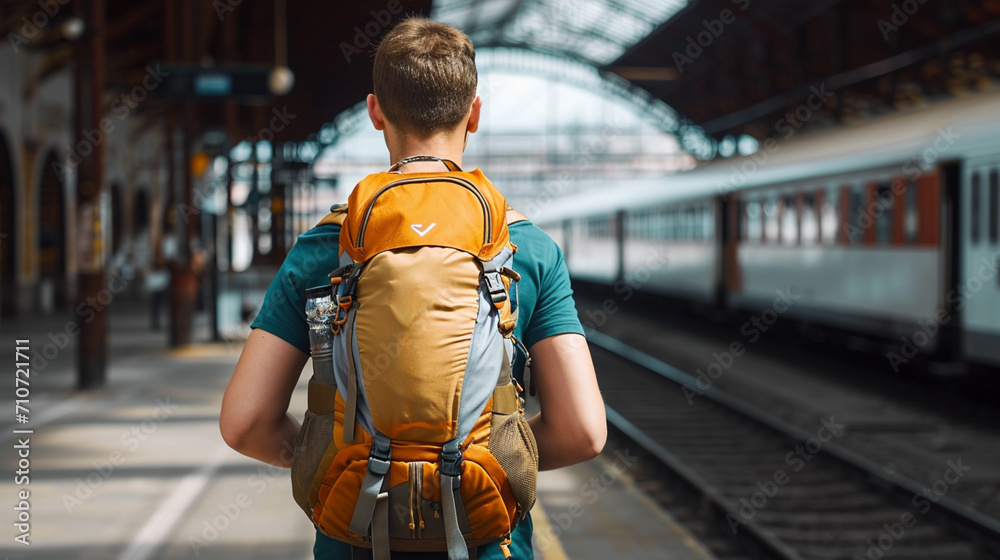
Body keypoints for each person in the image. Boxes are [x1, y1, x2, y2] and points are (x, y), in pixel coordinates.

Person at [220, 17, 606, 559]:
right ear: (474, 113)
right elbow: (584, 431)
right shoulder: (528, 249)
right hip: (488, 542)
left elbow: (245, 424)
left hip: (353, 538)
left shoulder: (324, 249)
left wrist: (339, 456)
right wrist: (484, 460)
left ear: (376, 111)